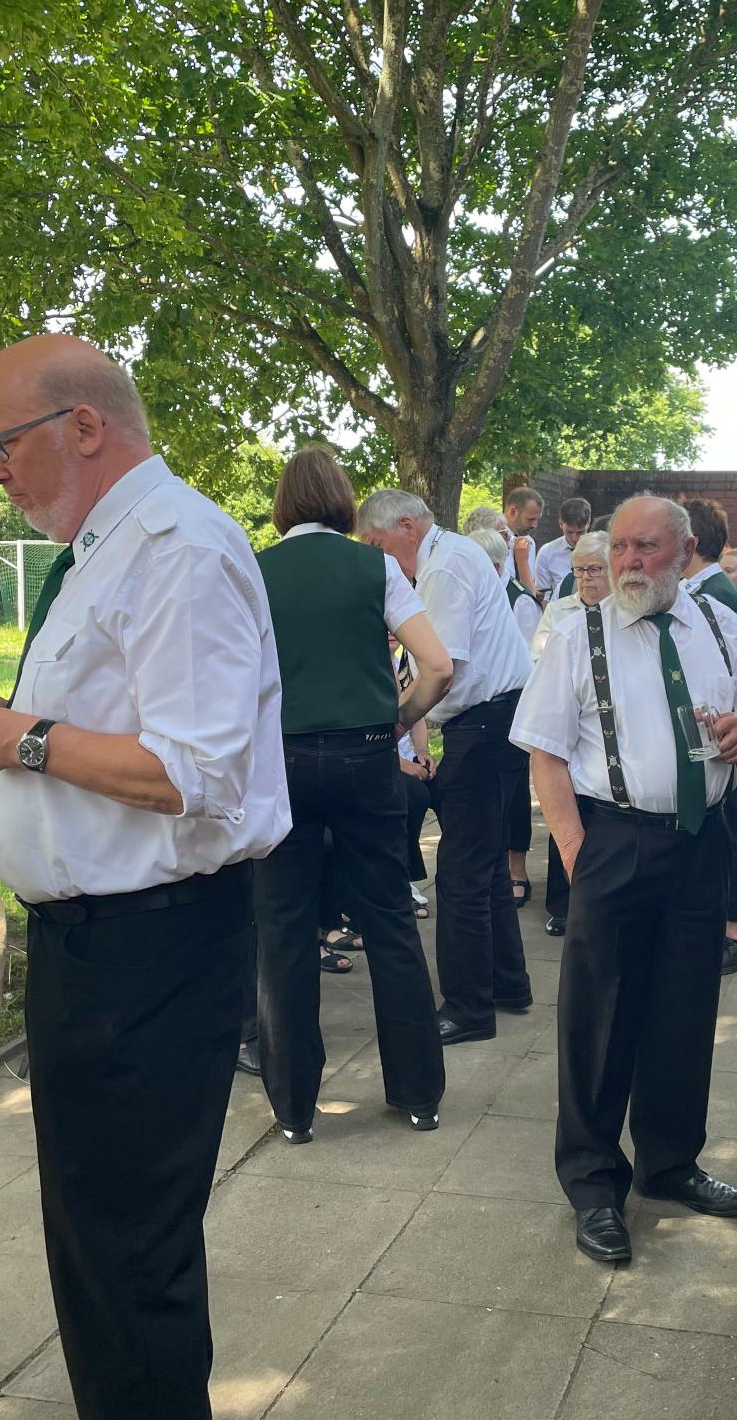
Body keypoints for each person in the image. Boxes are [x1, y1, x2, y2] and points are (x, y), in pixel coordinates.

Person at [0, 334, 290, 1420]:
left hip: (149, 948)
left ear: (83, 426)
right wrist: (10, 720)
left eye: (1, 443)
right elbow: (116, 725)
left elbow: (193, 772)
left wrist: (19, 738)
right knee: (103, 1250)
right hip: (107, 949)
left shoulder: (175, 546)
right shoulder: (110, 546)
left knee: (129, 1263)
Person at [512, 495, 737, 1265]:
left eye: (647, 546)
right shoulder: (578, 633)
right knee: (598, 1019)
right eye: (620, 545)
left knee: (684, 1010)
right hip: (614, 840)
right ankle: (594, 1184)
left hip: (701, 840)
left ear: (684, 551)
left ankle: (669, 1162)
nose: (628, 561)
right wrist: (575, 853)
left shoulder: (719, 624)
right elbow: (545, 752)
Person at [251, 447, 455, 1142]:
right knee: (390, 919)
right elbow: (437, 666)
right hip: (366, 758)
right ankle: (417, 1093)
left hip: (282, 761)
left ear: (282, 505)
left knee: (283, 929)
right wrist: (395, 721)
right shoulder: (376, 567)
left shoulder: (254, 569)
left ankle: (293, 1108)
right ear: (342, 502)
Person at [358, 489, 533, 1043]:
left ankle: (467, 1008)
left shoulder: (444, 566)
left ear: (407, 527)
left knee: (460, 874)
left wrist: (393, 726)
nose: (375, 557)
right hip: (494, 721)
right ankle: (506, 984)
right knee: (484, 865)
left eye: (377, 544)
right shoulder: (451, 556)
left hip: (484, 725)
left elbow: (442, 670)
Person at [680, 500, 737, 974]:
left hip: (725, 730)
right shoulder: (707, 586)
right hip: (720, 727)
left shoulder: (712, 592)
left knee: (730, 828)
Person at [529, 528, 609, 936]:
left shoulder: (624, 613)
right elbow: (538, 655)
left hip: (605, 729)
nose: (585, 579)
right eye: (578, 570)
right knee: (562, 808)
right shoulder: (560, 611)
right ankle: (561, 905)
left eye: (594, 569)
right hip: (566, 721)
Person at [471, 526, 542, 906]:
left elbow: (530, 658)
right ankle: (494, 865)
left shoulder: (520, 600)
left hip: (515, 703)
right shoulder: (476, 596)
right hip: (481, 704)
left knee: (514, 792)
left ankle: (517, 867)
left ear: (496, 565)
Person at [533, 497, 592, 599]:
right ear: (560, 523)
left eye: (580, 532)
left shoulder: (600, 551)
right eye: (569, 532)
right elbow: (543, 595)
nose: (574, 538)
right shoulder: (546, 553)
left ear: (589, 523)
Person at [504, 485, 544, 596]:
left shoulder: (530, 542)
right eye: (530, 519)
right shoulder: (492, 540)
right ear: (513, 512)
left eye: (537, 519)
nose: (534, 525)